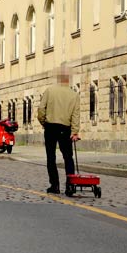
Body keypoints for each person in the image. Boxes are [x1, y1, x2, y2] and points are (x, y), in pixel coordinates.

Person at [37, 65, 80, 196]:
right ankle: (70, 186)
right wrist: (75, 131)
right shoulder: (74, 95)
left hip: (50, 127)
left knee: (51, 157)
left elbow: (40, 110)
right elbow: (75, 115)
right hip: (65, 129)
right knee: (68, 157)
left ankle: (54, 185)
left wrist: (43, 122)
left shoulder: (49, 91)